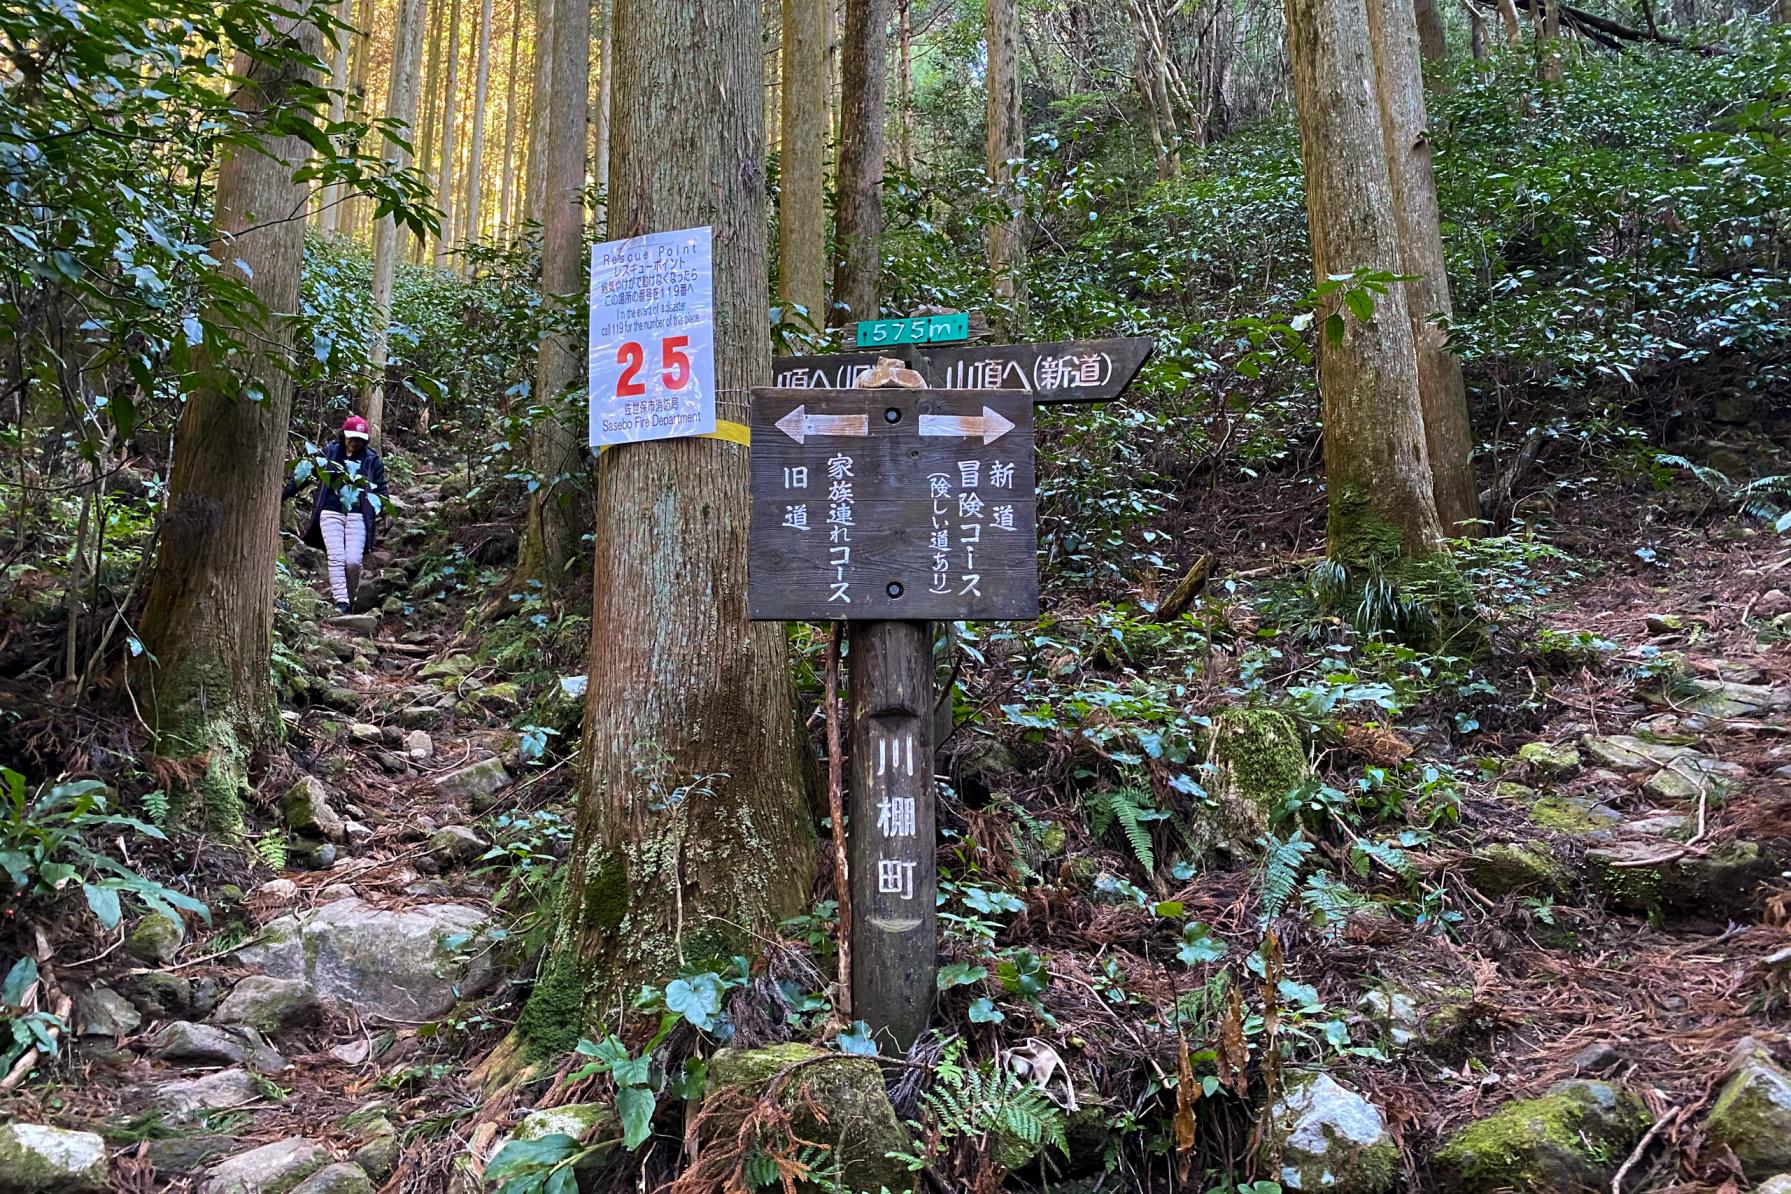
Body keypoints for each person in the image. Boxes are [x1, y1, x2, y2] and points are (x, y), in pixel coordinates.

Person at [284, 415, 389, 613]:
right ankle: (341, 602)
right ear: (343, 435)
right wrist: (285, 493)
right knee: (336, 557)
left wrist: (385, 513)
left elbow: (380, 488)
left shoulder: (372, 459)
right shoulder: (330, 452)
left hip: (358, 514)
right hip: (330, 511)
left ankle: (351, 596)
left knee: (353, 561)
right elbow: (308, 475)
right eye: (352, 437)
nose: (355, 442)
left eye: (359, 438)